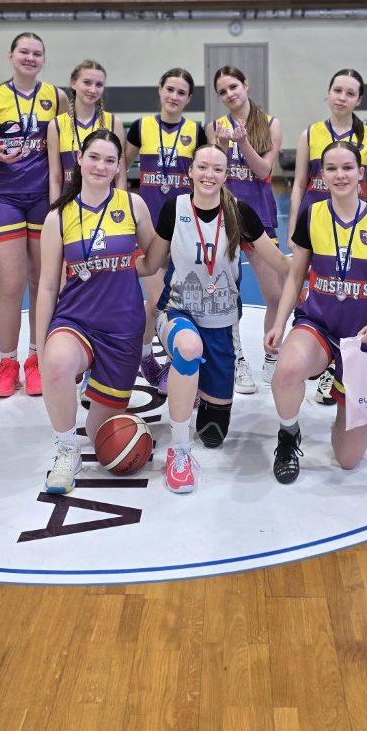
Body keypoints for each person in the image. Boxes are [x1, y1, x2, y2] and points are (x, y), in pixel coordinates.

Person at [138, 144, 292, 494]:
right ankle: (179, 451)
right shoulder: (174, 208)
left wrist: (314, 267)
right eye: (203, 167)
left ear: (226, 175)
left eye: (218, 169)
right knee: (188, 348)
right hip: (177, 311)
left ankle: (192, 386)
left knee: (213, 434)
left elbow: (280, 261)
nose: (209, 174)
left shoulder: (239, 212)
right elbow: (151, 264)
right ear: (190, 171)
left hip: (221, 325)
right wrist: (109, 265)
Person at [265, 140, 367, 484]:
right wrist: (280, 323)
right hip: (319, 324)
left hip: (364, 339)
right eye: (331, 168)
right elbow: (295, 276)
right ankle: (288, 436)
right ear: (322, 175)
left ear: (361, 173)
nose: (340, 175)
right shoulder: (312, 214)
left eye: (347, 168)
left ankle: (343, 401)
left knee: (347, 459)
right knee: (287, 368)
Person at [36, 129, 155, 494]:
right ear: (79, 160)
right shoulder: (58, 216)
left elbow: (154, 260)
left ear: (119, 166)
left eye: (109, 160)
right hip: (76, 320)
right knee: (56, 363)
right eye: (94, 157)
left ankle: (94, 386)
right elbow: (47, 286)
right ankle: (65, 451)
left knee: (101, 436)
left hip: (122, 329)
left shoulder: (133, 205)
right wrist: (40, 348)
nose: (100, 166)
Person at [0, 32, 70, 400]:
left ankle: (36, 358)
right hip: (4, 197)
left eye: (37, 53)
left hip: (44, 198)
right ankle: (7, 362)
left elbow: (65, 146)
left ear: (43, 59)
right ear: (11, 56)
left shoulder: (57, 97)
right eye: (24, 52)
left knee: (41, 283)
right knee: (10, 285)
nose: (30, 58)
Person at [287, 68, 367, 406]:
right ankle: (322, 358)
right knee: (315, 294)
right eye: (337, 90)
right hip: (316, 227)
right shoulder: (310, 134)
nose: (342, 97)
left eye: (350, 93)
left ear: (359, 100)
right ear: (328, 94)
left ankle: (341, 366)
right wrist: (293, 228)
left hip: (353, 231)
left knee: (347, 297)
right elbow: (298, 184)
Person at [125, 68, 206, 396]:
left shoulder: (196, 131)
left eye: (181, 92)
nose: (174, 96)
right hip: (148, 229)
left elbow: (204, 177)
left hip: (183, 227)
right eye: (170, 89)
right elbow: (120, 167)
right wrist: (123, 205)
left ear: (189, 99)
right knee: (157, 299)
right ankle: (145, 356)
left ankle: (179, 361)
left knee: (182, 301)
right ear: (160, 90)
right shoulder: (141, 126)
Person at [207, 65, 283, 393]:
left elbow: (264, 171)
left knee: (275, 295)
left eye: (233, 86)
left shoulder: (271, 124)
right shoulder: (215, 126)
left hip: (259, 218)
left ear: (246, 84)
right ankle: (237, 359)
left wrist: (243, 142)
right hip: (225, 217)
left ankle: (272, 355)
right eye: (222, 91)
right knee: (226, 295)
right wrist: (224, 146)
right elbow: (215, 174)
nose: (229, 94)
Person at [48, 58, 126, 203]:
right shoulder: (56, 125)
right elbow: (55, 179)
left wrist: (121, 207)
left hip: (105, 205)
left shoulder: (114, 123)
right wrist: (55, 210)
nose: (93, 90)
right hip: (69, 204)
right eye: (87, 82)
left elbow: (120, 176)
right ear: (73, 83)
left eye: (99, 84)